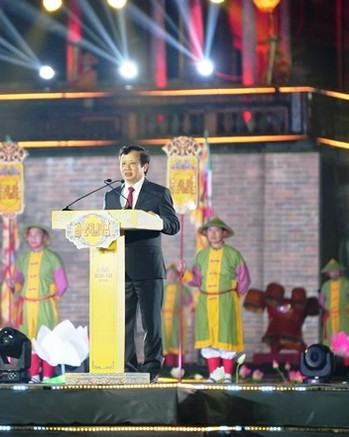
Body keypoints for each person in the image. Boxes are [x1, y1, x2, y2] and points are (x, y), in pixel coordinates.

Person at [103, 145, 180, 381]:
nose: (126, 168)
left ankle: (151, 369)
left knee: (151, 323)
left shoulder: (158, 193)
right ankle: (127, 369)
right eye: (123, 164)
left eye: (132, 164)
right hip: (118, 267)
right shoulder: (111, 195)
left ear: (144, 166)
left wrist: (157, 220)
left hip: (148, 268)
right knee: (124, 323)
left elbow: (173, 225)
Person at [184, 217, 251, 383]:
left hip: (226, 300)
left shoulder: (233, 254)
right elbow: (197, 280)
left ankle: (227, 375)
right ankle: (214, 375)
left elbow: (244, 279)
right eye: (209, 230)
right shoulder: (202, 256)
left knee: (226, 336)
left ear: (224, 233)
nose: (212, 234)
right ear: (205, 234)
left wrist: (234, 296)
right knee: (208, 338)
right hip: (205, 301)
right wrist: (184, 273)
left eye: (216, 230)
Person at [8, 224, 68, 383]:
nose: (33, 238)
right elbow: (19, 282)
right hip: (26, 306)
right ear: (26, 238)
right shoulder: (23, 259)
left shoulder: (52, 258)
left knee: (47, 339)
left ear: (45, 238)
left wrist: (51, 299)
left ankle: (48, 376)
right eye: (31, 234)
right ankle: (34, 375)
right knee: (30, 340)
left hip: (45, 305)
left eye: (37, 234)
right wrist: (13, 285)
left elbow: (62, 284)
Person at [161, 264, 192, 376]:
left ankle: (178, 369)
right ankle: (166, 369)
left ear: (177, 275)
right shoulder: (163, 287)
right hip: (163, 319)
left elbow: (189, 303)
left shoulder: (182, 288)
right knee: (165, 341)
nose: (171, 276)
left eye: (173, 274)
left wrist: (189, 316)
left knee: (177, 340)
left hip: (177, 318)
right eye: (169, 274)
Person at [319, 258, 349, 341]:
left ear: (340, 272)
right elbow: (321, 300)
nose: (334, 273)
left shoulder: (347, 283)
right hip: (330, 318)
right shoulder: (326, 285)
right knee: (330, 338)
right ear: (328, 273)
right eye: (331, 271)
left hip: (343, 316)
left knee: (346, 337)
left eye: (336, 271)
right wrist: (329, 309)